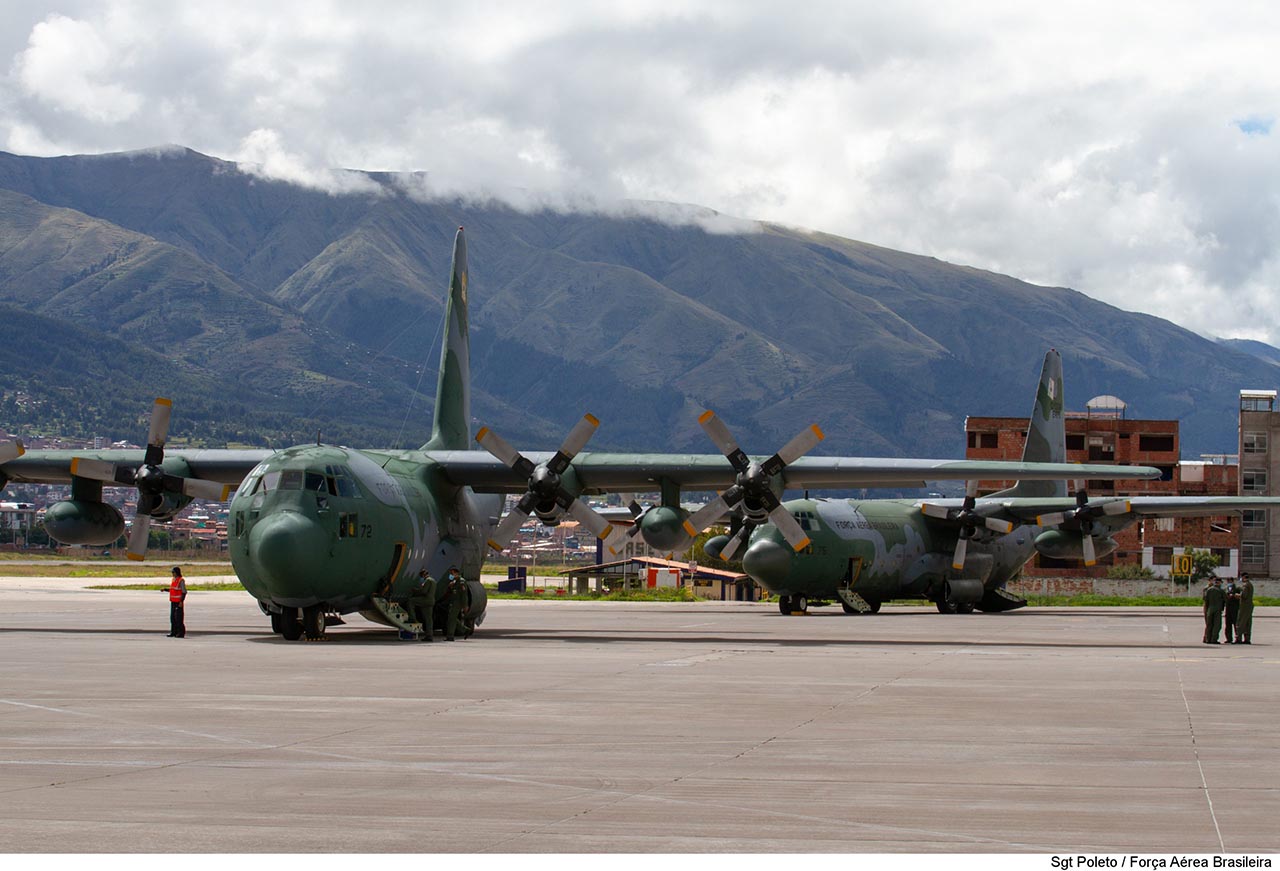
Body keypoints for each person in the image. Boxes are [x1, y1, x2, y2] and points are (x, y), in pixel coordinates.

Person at [406, 569, 437, 642]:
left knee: (410, 601)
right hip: (431, 601)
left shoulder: (427, 580)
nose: (421, 578)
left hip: (426, 600)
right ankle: (429, 636)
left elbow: (424, 591)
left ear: (423, 575)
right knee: (429, 619)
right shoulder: (433, 580)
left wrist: (415, 590)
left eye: (421, 576)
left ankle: (412, 618)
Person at [444, 566, 469, 642]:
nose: (451, 575)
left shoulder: (461, 582)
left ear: (456, 573)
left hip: (458, 603)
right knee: (452, 618)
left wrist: (465, 606)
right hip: (453, 602)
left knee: (451, 619)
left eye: (452, 573)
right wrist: (450, 586)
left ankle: (450, 636)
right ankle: (465, 630)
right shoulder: (454, 581)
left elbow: (464, 595)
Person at [1202, 576, 1225, 645]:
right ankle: (1214, 639)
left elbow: (1205, 599)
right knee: (1217, 625)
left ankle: (1208, 639)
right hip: (1217, 609)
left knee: (1209, 624)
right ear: (1219, 583)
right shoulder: (1220, 590)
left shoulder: (1209, 589)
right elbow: (1226, 599)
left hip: (1209, 609)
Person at [168, 566, 187, 638]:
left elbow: (184, 592)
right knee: (172, 618)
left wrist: (181, 601)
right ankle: (173, 632)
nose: (172, 574)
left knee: (178, 618)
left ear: (177, 572)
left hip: (178, 602)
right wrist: (165, 589)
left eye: (173, 572)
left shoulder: (181, 580)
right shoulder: (173, 580)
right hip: (173, 601)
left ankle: (181, 633)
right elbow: (172, 589)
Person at [1236, 572, 1254, 645]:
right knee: (1248, 622)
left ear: (1243, 577)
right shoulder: (1250, 584)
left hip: (1244, 606)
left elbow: (1244, 595)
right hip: (1249, 605)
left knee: (1241, 621)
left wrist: (1237, 595)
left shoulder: (1245, 585)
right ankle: (1247, 638)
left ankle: (1238, 638)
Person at [1224, 578, 1241, 643]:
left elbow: (1239, 597)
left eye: (1230, 581)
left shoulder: (1237, 589)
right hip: (1228, 608)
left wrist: (1233, 595)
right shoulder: (1226, 589)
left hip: (1235, 608)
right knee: (1228, 624)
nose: (1229, 582)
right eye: (1228, 581)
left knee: (1236, 624)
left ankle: (1238, 638)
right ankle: (1229, 638)